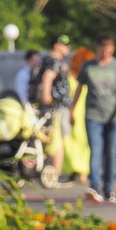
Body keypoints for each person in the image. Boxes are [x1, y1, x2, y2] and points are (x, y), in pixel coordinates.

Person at [72, 35, 116, 204]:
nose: (105, 52)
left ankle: (109, 189)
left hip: (113, 117)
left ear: (113, 49)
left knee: (111, 153)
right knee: (95, 150)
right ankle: (95, 186)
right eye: (102, 48)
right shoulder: (88, 66)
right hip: (93, 115)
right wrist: (72, 109)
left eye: (109, 48)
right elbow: (78, 88)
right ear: (97, 48)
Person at [37, 35, 73, 180]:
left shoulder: (47, 59)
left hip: (55, 105)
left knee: (49, 138)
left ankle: (36, 166)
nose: (68, 49)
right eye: (66, 45)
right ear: (57, 45)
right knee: (58, 140)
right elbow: (48, 77)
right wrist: (46, 94)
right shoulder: (55, 61)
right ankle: (55, 174)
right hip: (57, 105)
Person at [64, 47, 95, 186]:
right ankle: (75, 171)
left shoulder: (89, 76)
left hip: (84, 111)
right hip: (75, 111)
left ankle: (81, 171)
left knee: (82, 143)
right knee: (73, 143)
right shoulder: (71, 75)